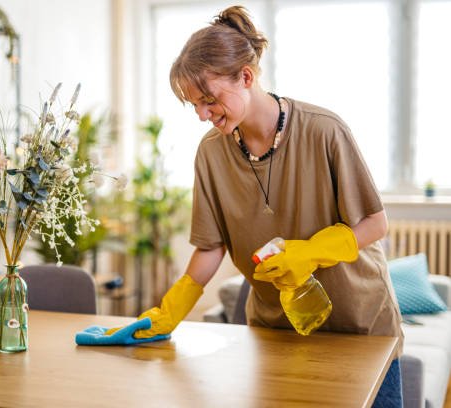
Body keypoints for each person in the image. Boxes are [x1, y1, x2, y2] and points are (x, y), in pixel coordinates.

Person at [77, 5, 403, 406]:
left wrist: (313, 252)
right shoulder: (211, 153)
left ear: (246, 77)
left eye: (209, 99)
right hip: (276, 333)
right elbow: (211, 246)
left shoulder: (324, 130)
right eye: (193, 104)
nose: (201, 114)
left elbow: (375, 222)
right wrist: (171, 308)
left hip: (360, 331)